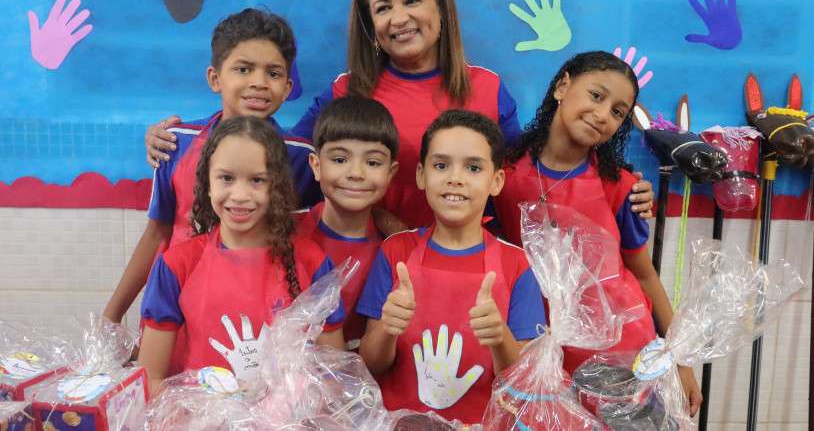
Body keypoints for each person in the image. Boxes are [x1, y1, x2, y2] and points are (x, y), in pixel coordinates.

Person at [142, 0, 655, 233]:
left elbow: (528, 173)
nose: (399, 17)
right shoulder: (347, 90)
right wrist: (186, 139)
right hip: (371, 268)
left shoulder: (488, 87)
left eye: (411, 1)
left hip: (470, 266)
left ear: (441, 10)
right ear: (370, 26)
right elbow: (275, 154)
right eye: (382, 8)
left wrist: (618, 184)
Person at [493, 51, 702, 416]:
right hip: (541, 356)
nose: (604, 115)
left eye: (618, 112)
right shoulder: (501, 177)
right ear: (562, 86)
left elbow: (645, 276)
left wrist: (681, 362)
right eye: (596, 95)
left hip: (623, 360)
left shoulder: (621, 187)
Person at [103, 8, 320, 324]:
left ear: (287, 88)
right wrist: (110, 319)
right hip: (178, 316)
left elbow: (322, 232)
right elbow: (157, 233)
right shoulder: (175, 143)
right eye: (243, 69)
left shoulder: (301, 157)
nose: (259, 83)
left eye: (273, 73)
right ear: (216, 78)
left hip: (264, 323)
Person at [356, 110, 546, 424]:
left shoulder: (517, 264)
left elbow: (521, 382)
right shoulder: (395, 250)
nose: (455, 177)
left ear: (496, 181)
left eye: (473, 167)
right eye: (441, 165)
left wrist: (500, 338)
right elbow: (370, 365)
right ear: (421, 175)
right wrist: (388, 329)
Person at [137, 116, 345, 394]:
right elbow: (151, 380)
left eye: (257, 180)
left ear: (276, 186)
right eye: (226, 178)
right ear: (207, 183)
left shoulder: (312, 261)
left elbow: (334, 377)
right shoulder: (176, 265)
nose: (240, 195)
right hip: (202, 417)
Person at [295, 95, 399, 350]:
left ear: (390, 173)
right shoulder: (286, 233)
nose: (355, 173)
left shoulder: (396, 248)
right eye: (340, 160)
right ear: (316, 166)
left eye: (372, 162)